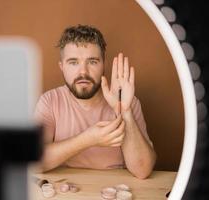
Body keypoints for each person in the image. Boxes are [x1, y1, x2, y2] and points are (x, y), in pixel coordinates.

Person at [34, 24, 156, 179]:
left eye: (92, 61)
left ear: (103, 65)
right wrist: (87, 139)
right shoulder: (49, 101)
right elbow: (32, 162)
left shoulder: (127, 100)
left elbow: (143, 170)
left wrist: (125, 111)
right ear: (62, 67)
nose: (83, 71)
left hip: (115, 189)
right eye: (73, 62)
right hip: (67, 189)